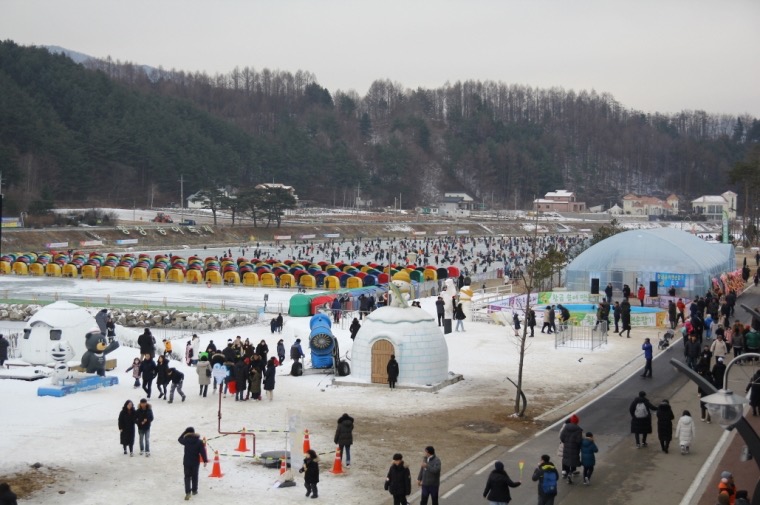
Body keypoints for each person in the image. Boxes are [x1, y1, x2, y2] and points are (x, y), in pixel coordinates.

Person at [178, 426, 208, 501]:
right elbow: (203, 452)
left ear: (187, 433)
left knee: (187, 477)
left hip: (187, 462)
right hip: (195, 462)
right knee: (195, 476)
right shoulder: (199, 442)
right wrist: (205, 460)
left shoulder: (186, 440)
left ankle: (188, 492)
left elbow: (179, 439)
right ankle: (194, 490)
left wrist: (185, 432)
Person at [559, 414, 582, 483]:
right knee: (573, 460)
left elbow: (562, 437)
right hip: (575, 448)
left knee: (566, 459)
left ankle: (567, 472)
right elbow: (579, 441)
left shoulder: (566, 427)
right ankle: (571, 473)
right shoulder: (578, 430)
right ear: (577, 422)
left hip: (566, 447)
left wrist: (566, 442)